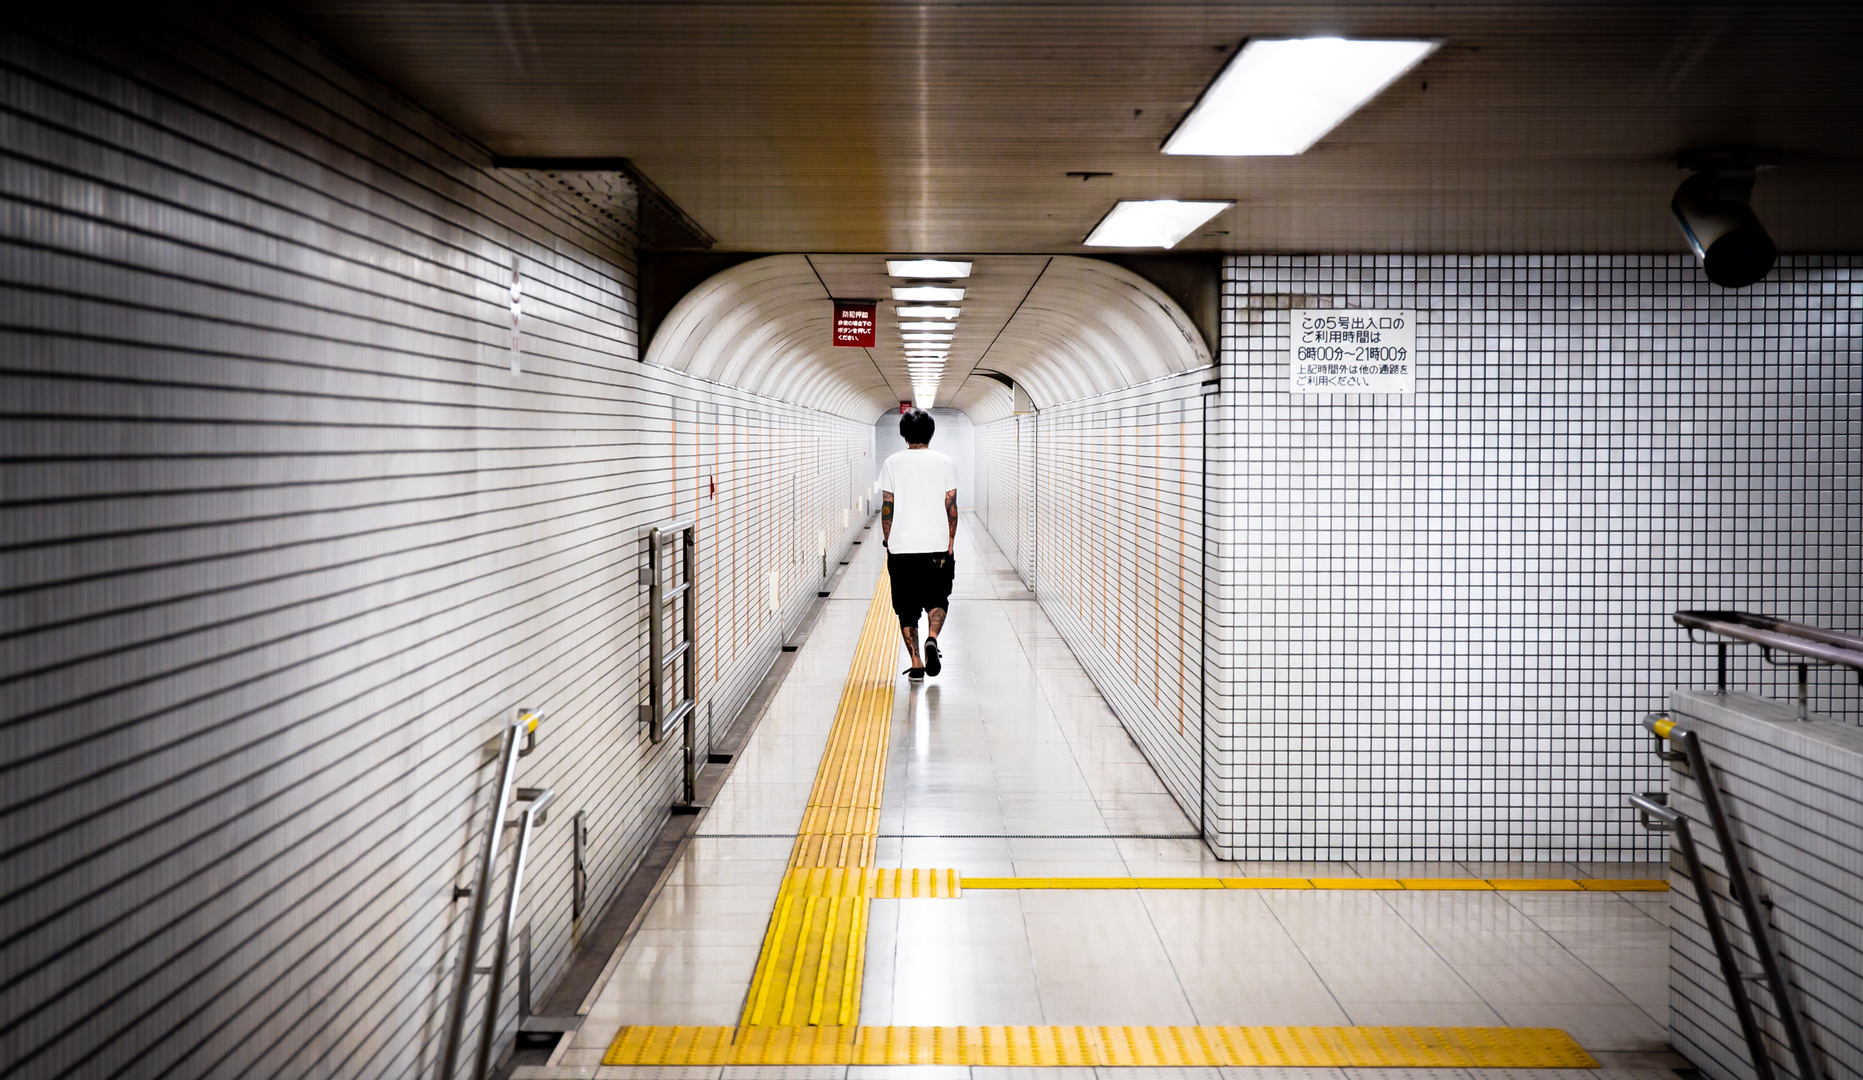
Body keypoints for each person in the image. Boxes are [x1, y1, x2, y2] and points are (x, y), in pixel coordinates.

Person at [878, 408, 958, 682]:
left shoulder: (891, 463)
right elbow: (951, 507)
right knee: (938, 599)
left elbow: (887, 506)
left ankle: (916, 664)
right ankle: (932, 638)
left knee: (906, 608)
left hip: (902, 549)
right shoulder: (945, 462)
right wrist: (950, 541)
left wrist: (888, 539)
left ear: (904, 435)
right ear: (931, 433)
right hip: (936, 547)